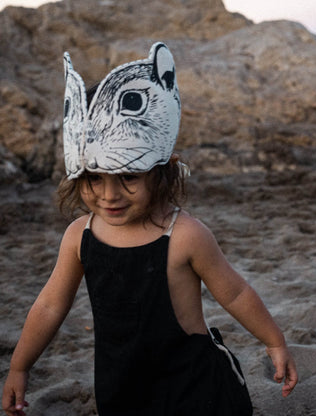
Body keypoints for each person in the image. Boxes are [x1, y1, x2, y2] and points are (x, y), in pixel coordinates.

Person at [2, 42, 297, 416]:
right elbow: (49, 305)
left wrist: (274, 341)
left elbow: (235, 293)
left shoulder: (184, 234)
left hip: (192, 387)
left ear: (160, 170)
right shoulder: (80, 236)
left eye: (128, 175)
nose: (110, 194)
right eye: (94, 177)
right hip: (121, 386)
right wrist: (20, 366)